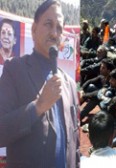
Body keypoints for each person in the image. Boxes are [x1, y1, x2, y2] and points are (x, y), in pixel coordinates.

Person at [0, 1, 79, 167]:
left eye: (59, 28)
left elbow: (74, 144)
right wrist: (38, 106)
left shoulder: (70, 84)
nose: (54, 33)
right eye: (48, 24)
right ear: (34, 29)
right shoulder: (14, 70)